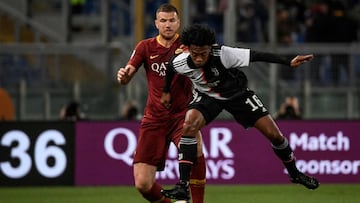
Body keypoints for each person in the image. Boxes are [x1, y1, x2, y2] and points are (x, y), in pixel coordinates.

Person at [160, 24, 320, 201]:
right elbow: (170, 68)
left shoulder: (223, 54)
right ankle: (183, 185)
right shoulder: (180, 61)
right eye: (195, 53)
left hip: (238, 95)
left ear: (210, 48)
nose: (198, 58)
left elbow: (256, 55)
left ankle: (295, 173)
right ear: (187, 49)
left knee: (275, 135)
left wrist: (288, 62)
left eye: (203, 54)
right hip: (208, 97)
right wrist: (166, 91)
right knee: (189, 126)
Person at [117, 4, 206, 203]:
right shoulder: (145, 47)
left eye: (172, 20)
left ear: (178, 22)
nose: (168, 25)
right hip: (154, 118)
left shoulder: (187, 46)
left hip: (182, 116)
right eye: (163, 21)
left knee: (196, 148)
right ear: (156, 23)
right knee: (143, 184)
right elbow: (129, 71)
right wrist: (123, 76)